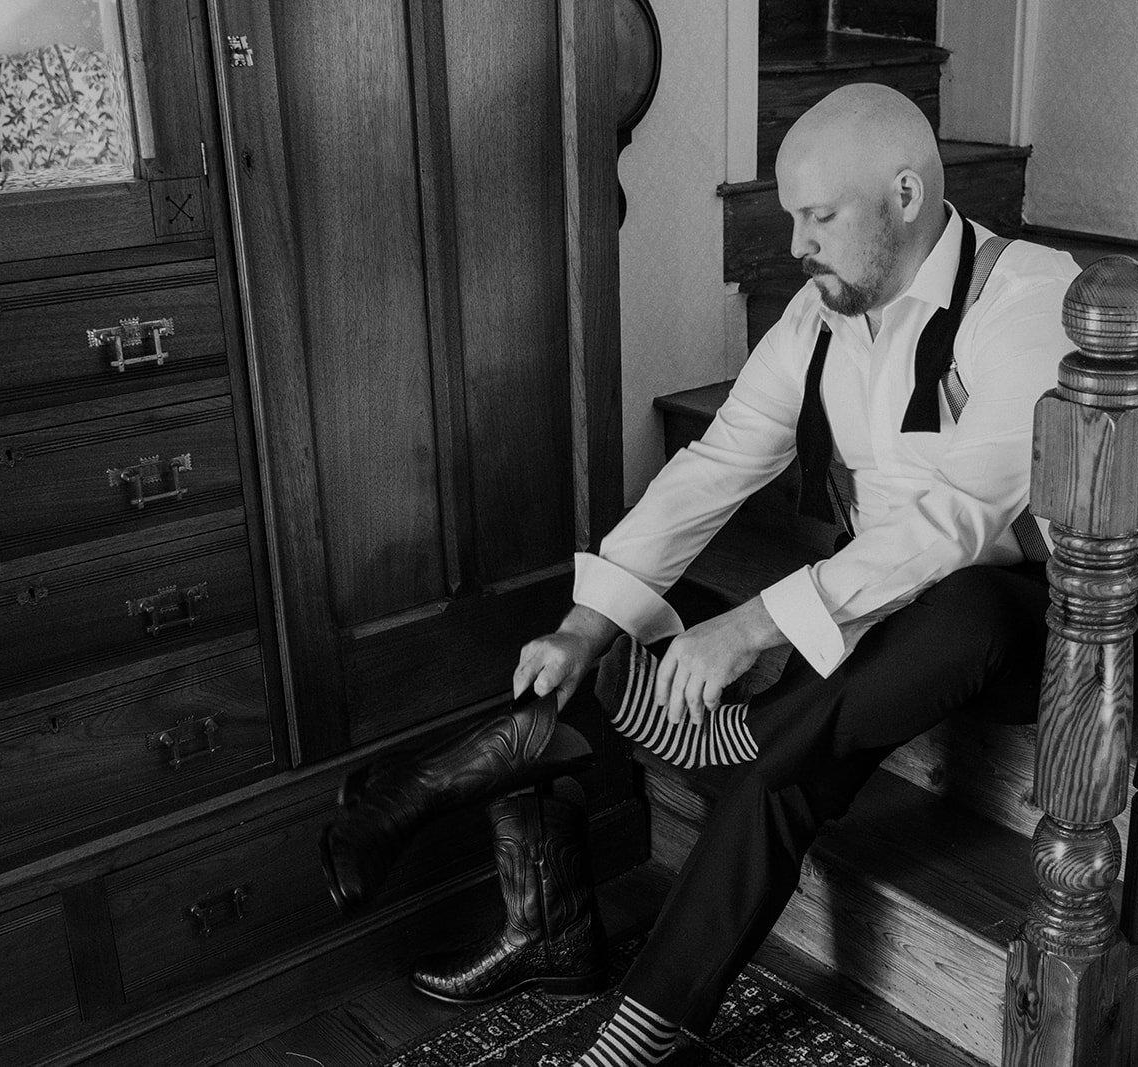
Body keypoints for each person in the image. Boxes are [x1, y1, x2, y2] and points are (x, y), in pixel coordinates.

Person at [320, 82, 1080, 1066]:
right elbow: (716, 464)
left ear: (903, 194)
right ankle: (639, 1032)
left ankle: (468, 784)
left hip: (1028, 621)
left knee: (952, 606)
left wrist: (755, 625)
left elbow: (961, 517)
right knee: (778, 765)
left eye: (817, 217)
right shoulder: (821, 316)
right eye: (787, 218)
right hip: (880, 608)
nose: (795, 244)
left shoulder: (1030, 296)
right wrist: (590, 624)